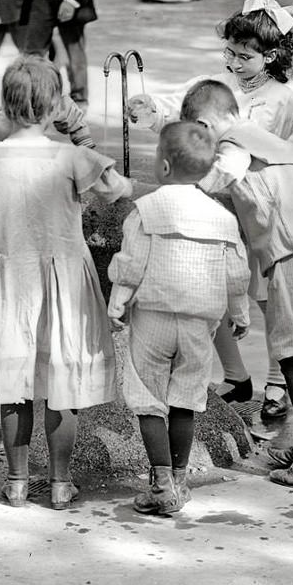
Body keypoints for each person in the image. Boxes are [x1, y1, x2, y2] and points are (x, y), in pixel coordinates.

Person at [0, 57, 131, 508]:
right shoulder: (74, 157)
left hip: (8, 280)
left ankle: (15, 481)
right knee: (60, 384)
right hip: (63, 280)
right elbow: (117, 190)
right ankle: (59, 481)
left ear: (4, 107)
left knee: (14, 385)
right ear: (56, 105)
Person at [180, 82, 293, 489]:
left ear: (205, 124)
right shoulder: (270, 139)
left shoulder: (234, 143)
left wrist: (185, 190)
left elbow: (226, 172)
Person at [107, 120, 251, 517]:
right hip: (198, 324)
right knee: (186, 398)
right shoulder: (222, 217)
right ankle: (181, 479)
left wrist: (118, 302)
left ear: (164, 167)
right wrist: (239, 313)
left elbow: (131, 264)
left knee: (148, 400)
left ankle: (161, 483)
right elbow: (237, 273)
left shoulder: (146, 209)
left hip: (152, 318)